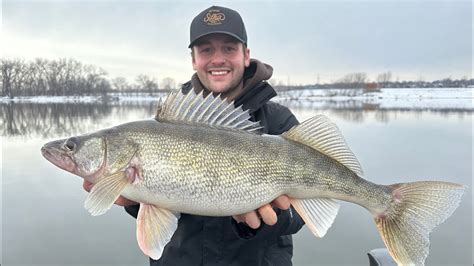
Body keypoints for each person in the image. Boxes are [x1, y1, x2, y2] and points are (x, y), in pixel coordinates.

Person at [83, 5, 305, 266]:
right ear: (193, 59)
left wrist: (263, 222)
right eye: (206, 49)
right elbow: (163, 212)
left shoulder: (279, 121)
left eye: (229, 48)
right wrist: (136, 199)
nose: (217, 59)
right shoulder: (169, 122)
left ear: (246, 55)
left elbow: (303, 213)